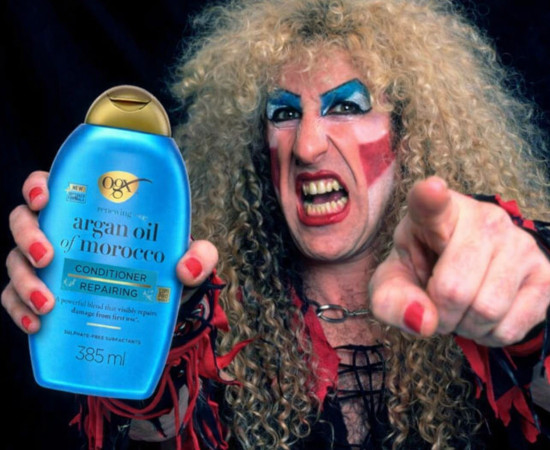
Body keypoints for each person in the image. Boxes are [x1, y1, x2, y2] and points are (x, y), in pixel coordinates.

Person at [3, 0, 550, 448]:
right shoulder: (206, 322)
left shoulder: (481, 286)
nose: (307, 146)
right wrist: (128, 316)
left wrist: (530, 305)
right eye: (285, 113)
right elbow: (153, 432)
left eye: (346, 106)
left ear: (407, 137)